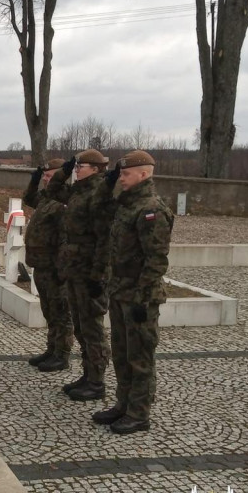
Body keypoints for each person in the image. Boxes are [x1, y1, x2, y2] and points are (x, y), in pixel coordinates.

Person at [93, 150, 173, 434]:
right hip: (120, 292)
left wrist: (143, 297)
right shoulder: (126, 205)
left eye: (125, 174)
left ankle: (139, 413)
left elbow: (156, 260)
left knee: (140, 357)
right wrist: (108, 181)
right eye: (120, 174)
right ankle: (123, 405)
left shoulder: (151, 210)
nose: (122, 179)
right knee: (121, 354)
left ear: (143, 174)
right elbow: (98, 206)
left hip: (139, 297)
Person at [44, 149, 117, 401]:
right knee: (80, 326)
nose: (77, 169)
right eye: (75, 166)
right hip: (75, 269)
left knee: (92, 327)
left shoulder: (99, 193)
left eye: (80, 166)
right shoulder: (80, 190)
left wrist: (98, 277)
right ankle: (88, 375)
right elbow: (51, 191)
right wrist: (64, 169)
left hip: (89, 271)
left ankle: (97, 382)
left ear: (96, 169)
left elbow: (104, 240)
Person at [23, 158, 73, 372]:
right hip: (41, 265)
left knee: (61, 312)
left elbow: (65, 237)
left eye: (48, 175)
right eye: (43, 175)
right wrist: (33, 182)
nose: (45, 178)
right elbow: (28, 198)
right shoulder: (46, 197)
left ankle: (62, 354)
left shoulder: (63, 200)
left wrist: (62, 269)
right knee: (49, 310)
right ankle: (51, 349)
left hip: (54, 268)